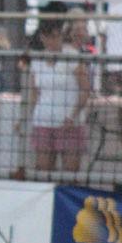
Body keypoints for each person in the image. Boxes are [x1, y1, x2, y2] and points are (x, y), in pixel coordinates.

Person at [28, 20, 90, 173]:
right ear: (42, 37)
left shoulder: (73, 57)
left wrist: (72, 116)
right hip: (43, 121)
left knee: (70, 172)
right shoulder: (37, 60)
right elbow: (34, 92)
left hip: (69, 123)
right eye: (50, 37)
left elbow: (85, 89)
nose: (55, 41)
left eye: (58, 37)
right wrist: (30, 115)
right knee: (42, 171)